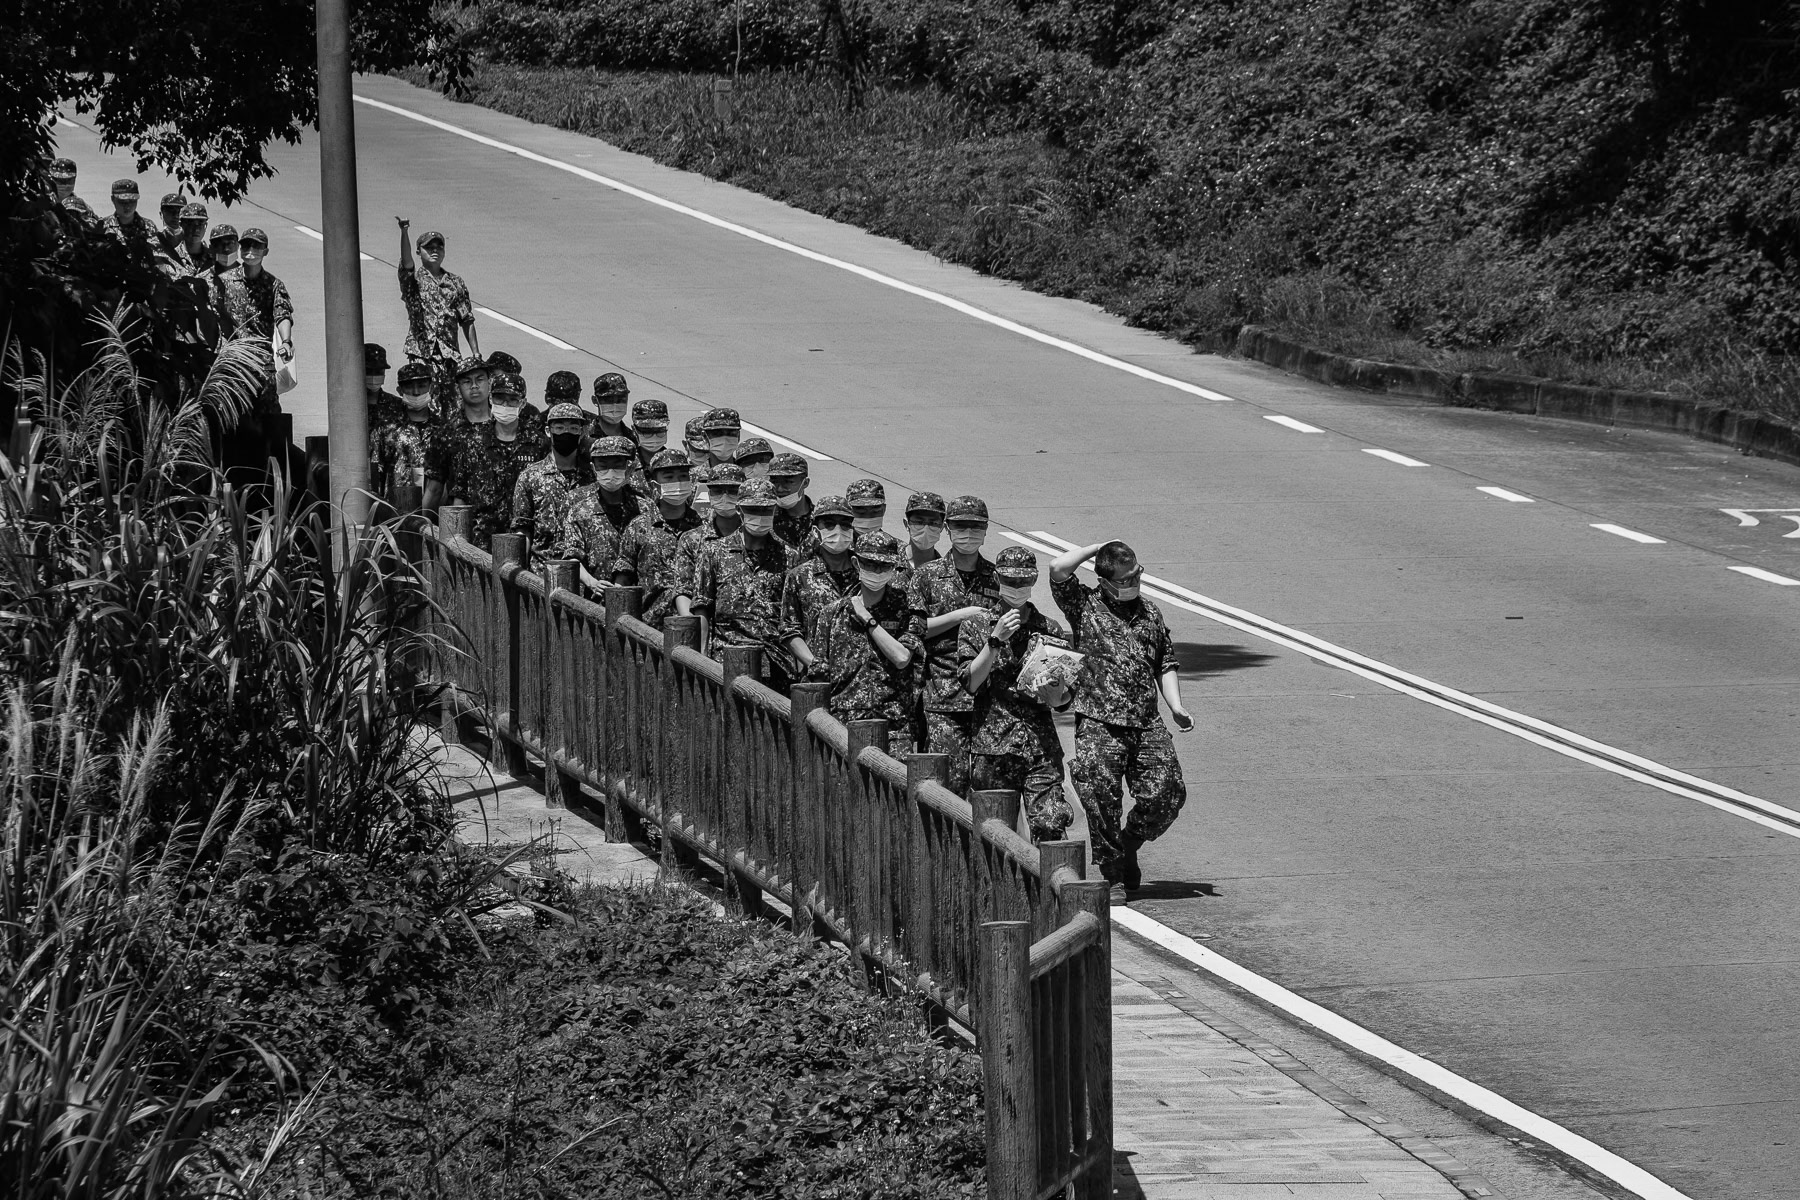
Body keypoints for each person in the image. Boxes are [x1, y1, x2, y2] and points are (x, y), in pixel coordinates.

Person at [1048, 539, 1194, 893]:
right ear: (1105, 580)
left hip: (1145, 722)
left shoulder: (1150, 613)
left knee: (1167, 794)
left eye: (1137, 575)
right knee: (1100, 797)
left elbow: (1165, 661)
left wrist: (1175, 705)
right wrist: (1094, 547)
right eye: (1125, 579)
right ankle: (1112, 874)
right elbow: (1057, 570)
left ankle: (1130, 842)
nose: (1133, 583)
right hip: (1099, 722)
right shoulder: (1084, 605)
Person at [958, 547, 1073, 842]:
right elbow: (970, 683)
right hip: (993, 746)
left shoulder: (1050, 628)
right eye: (1010, 581)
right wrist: (995, 641)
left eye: (1024, 583)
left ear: (1033, 582)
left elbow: (1063, 702)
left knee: (1050, 824)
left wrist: (1056, 692)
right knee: (994, 834)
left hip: (1040, 746)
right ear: (997, 578)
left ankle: (1049, 888)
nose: (1018, 588)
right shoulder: (977, 624)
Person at [908, 495, 1002, 793]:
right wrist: (961, 616)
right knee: (949, 787)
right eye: (961, 526)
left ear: (986, 530)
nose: (969, 533)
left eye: (976, 527)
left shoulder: (998, 578)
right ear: (948, 528)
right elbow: (915, 631)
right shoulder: (927, 575)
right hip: (942, 696)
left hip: (988, 699)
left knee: (989, 789)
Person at [678, 479, 795, 686]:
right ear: (740, 511)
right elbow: (702, 607)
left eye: (766, 510)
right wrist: (703, 658)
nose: (759, 516)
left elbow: (795, 616)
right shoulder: (714, 552)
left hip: (778, 663)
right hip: (727, 659)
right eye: (753, 510)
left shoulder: (789, 556)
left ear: (775, 511)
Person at [813, 530, 923, 739]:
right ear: (856, 564)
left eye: (884, 566)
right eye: (870, 564)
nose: (877, 570)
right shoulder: (832, 613)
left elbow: (901, 657)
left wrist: (869, 620)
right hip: (843, 726)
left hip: (893, 727)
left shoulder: (908, 607)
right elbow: (820, 673)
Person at [612, 448, 704, 630]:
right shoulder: (639, 527)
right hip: (651, 629)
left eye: (683, 476)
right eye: (669, 477)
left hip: (693, 628)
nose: (677, 483)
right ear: (655, 485)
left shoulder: (703, 526)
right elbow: (622, 580)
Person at [396, 221, 477, 412]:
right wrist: (404, 232)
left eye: (439, 247)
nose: (435, 251)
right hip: (422, 353)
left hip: (449, 354)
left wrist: (476, 353)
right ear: (419, 252)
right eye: (429, 248)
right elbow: (406, 261)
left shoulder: (455, 282)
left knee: (453, 405)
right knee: (424, 403)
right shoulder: (413, 280)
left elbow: (467, 320)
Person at [209, 227, 293, 410]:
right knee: (231, 417)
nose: (251, 251)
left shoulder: (273, 284)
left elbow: (282, 314)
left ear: (266, 251)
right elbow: (211, 316)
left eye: (257, 246)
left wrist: (286, 342)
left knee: (269, 419)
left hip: (262, 364)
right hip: (232, 362)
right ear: (240, 249)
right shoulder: (223, 281)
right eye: (246, 245)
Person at [781, 494, 857, 676]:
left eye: (845, 525)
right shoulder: (799, 576)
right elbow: (789, 630)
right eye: (830, 524)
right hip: (818, 679)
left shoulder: (864, 573)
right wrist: (815, 665)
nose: (838, 530)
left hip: (861, 680)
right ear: (816, 531)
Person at [511, 402, 596, 563]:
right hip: (541, 575)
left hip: (585, 577)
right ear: (548, 431)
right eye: (559, 428)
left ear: (582, 432)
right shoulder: (530, 477)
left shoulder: (593, 476)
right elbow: (523, 530)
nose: (566, 433)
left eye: (573, 428)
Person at [562, 436, 644, 590]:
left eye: (617, 464)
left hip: (638, 598)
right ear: (594, 468)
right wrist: (591, 582)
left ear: (629, 467)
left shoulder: (645, 507)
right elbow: (572, 557)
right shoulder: (580, 511)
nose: (610, 471)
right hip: (594, 599)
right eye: (603, 465)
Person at [672, 463, 744, 631]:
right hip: (703, 632)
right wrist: (694, 627)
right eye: (718, 491)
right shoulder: (692, 539)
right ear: (709, 494)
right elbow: (683, 589)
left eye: (733, 491)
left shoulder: (753, 537)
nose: (725, 497)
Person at [370, 362, 444, 516]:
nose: (416, 392)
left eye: (422, 385)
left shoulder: (443, 429)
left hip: (435, 515)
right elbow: (376, 476)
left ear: (431, 388)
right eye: (409, 387)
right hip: (395, 515)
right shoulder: (386, 428)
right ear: (399, 390)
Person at [770, 453, 815, 550]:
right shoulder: (765, 518)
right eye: (774, 482)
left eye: (788, 482)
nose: (780, 489)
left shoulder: (821, 520)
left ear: (805, 483)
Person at [629, 398, 671, 499]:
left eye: (659, 430)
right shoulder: (627, 465)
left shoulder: (675, 463)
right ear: (634, 430)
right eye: (646, 431)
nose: (654, 435)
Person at [901, 491, 946, 574]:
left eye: (933, 523)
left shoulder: (946, 573)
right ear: (907, 524)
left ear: (942, 527)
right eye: (919, 522)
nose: (926, 528)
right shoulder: (887, 564)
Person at [365, 343, 403, 428]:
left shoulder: (398, 405)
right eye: (368, 371)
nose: (373, 377)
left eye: (378, 372)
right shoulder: (348, 405)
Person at [700, 407, 741, 476]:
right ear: (705, 437)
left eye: (730, 433)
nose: (724, 438)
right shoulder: (692, 477)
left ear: (738, 436)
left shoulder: (747, 474)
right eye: (717, 433)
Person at [592, 373, 632, 442]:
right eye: (608, 400)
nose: (615, 405)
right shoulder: (583, 436)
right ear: (595, 400)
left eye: (621, 400)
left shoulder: (633, 438)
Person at [171, 202, 210, 273]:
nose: (196, 229)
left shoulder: (215, 259)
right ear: (180, 225)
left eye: (200, 224)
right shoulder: (171, 258)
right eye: (190, 224)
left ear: (206, 226)